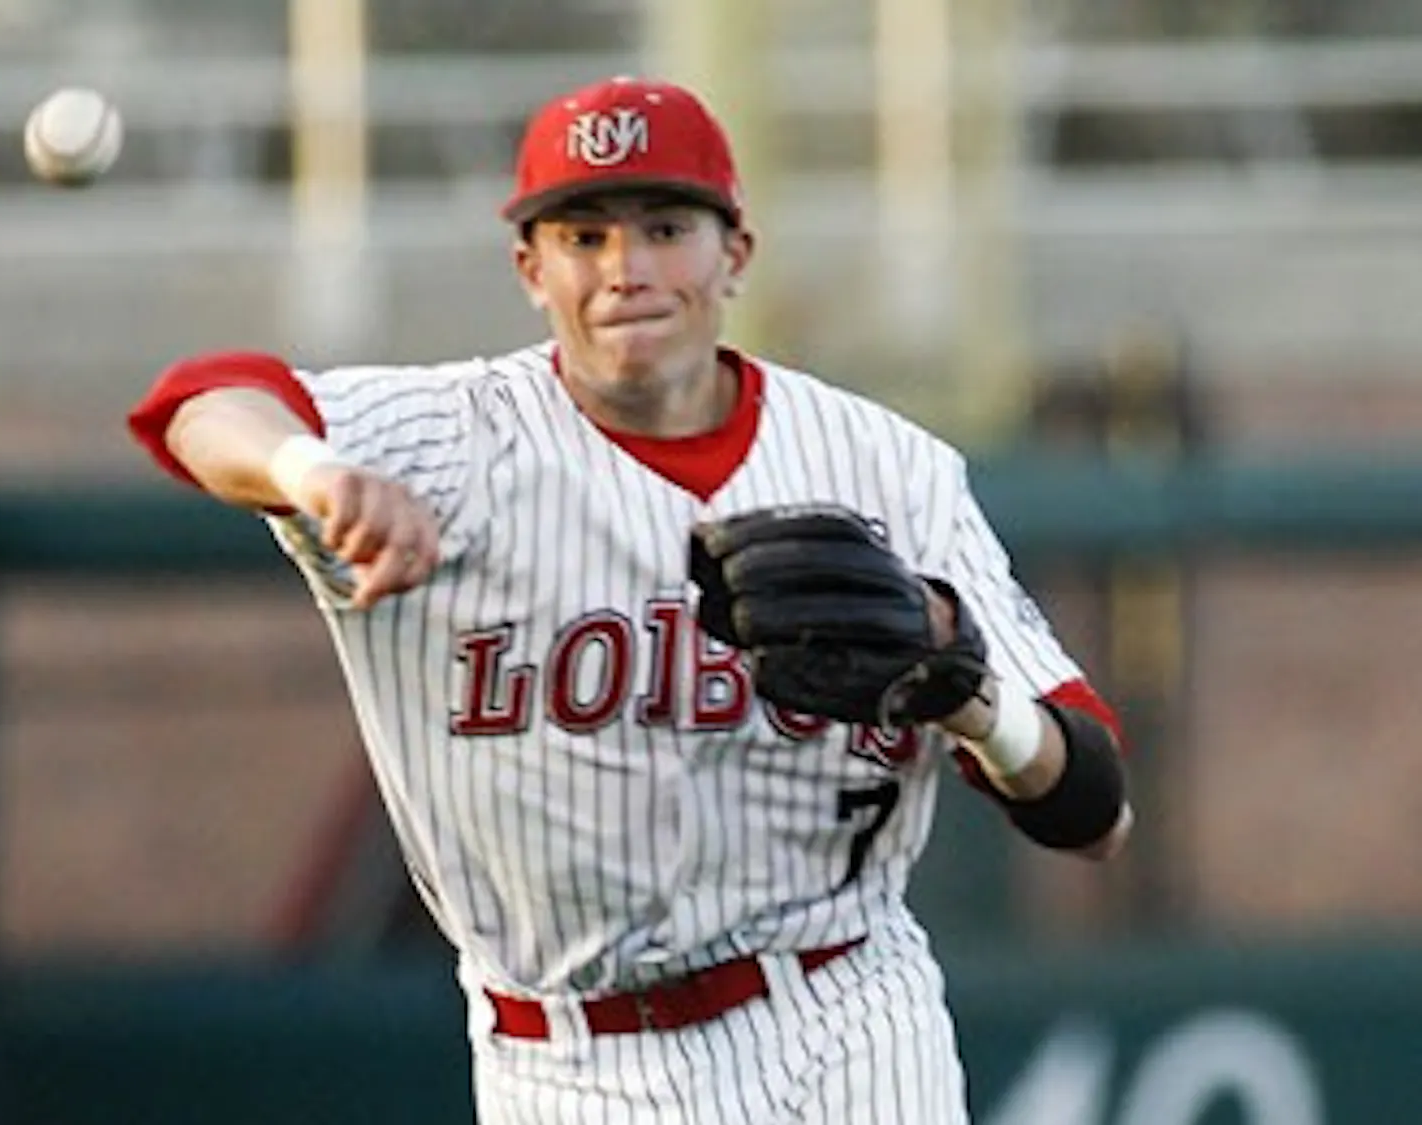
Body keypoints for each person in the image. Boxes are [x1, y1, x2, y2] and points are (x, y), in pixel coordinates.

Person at [127, 75, 1132, 1125]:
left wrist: (962, 683)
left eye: (664, 227)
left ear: (733, 253)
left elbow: (1095, 808)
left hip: (839, 1020)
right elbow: (199, 401)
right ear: (531, 269)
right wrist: (308, 474)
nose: (627, 270)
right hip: (560, 1063)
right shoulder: (447, 444)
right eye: (584, 236)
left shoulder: (886, 469)